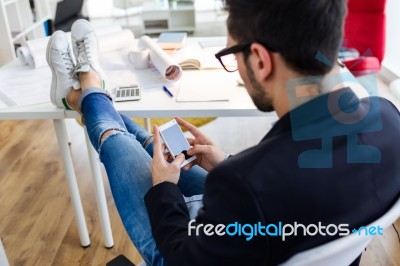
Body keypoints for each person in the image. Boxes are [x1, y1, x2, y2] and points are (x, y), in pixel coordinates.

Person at [46, 0, 400, 263]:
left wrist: (167, 188)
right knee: (147, 144)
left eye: (231, 55)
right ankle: (90, 95)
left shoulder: (246, 183)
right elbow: (283, 186)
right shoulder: (390, 120)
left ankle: (87, 90)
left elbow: (181, 256)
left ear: (260, 60)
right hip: (288, 232)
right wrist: (226, 163)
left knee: (119, 144)